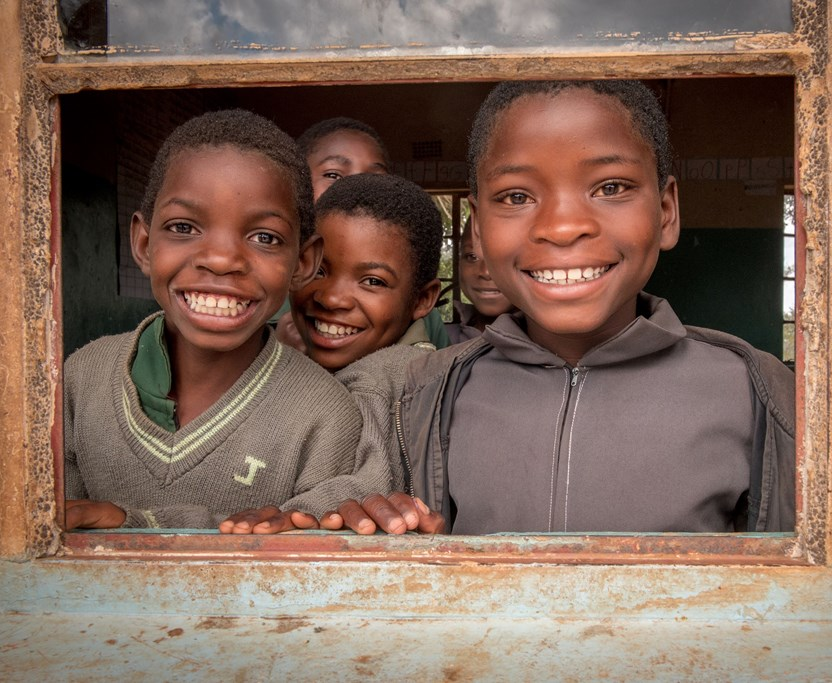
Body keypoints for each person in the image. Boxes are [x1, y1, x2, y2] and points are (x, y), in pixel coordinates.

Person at [317, 80, 794, 535]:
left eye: (610, 187)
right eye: (516, 196)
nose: (563, 227)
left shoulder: (756, 392)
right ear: (478, 231)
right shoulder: (422, 395)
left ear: (666, 212)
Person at [62, 109, 384, 532]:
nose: (221, 259)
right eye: (183, 227)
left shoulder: (325, 416)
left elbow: (302, 564)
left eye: (264, 238)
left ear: (303, 262)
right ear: (143, 243)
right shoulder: (81, 378)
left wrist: (135, 522)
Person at [220, 173, 443, 534]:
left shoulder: (385, 382)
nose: (331, 298)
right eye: (320, 270)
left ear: (422, 300)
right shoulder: (284, 364)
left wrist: (293, 516)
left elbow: (362, 479)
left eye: (372, 281)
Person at [275, 115, 450, 350]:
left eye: (373, 281)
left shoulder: (421, 317)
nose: (354, 185)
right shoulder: (264, 289)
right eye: (334, 175)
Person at [445, 219, 517, 345]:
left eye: (501, 256)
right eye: (472, 257)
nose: (485, 272)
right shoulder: (437, 341)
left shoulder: (551, 348)